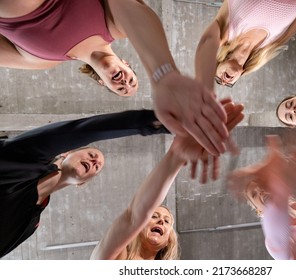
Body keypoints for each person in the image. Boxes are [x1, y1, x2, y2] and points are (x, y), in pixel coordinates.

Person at [0, 0, 230, 157]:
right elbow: (131, 8)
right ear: (127, 65)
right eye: (132, 80)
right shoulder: (113, 25)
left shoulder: (45, 60)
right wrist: (164, 75)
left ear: (103, 83)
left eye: (121, 89)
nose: (125, 83)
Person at [0, 108, 170, 258]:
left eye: (98, 167)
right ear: (66, 153)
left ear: (81, 183)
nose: (95, 161)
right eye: (91, 154)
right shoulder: (24, 161)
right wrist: (157, 121)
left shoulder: (32, 224)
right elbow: (83, 130)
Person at [90, 101, 245, 259]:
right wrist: (176, 156)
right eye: (155, 216)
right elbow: (134, 217)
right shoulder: (115, 258)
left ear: (168, 240)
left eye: (166, 221)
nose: (161, 222)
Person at [195, 0, 296, 89]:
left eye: (218, 79)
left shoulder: (226, 31)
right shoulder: (273, 43)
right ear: (240, 76)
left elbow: (207, 41)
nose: (224, 82)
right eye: (229, 84)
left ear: (217, 62)